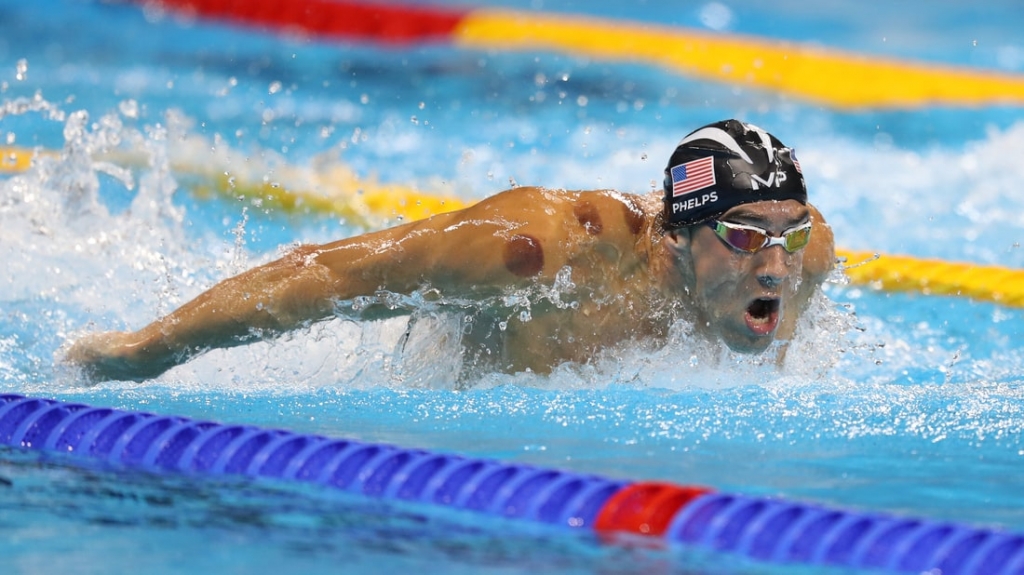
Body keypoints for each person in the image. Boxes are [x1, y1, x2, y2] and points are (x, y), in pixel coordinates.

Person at [65, 119, 835, 382]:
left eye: (787, 234)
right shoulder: (543, 251)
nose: (773, 265)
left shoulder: (803, 252)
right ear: (676, 239)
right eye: (740, 238)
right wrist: (146, 350)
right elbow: (337, 275)